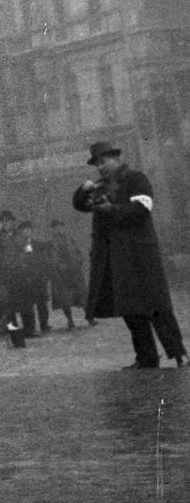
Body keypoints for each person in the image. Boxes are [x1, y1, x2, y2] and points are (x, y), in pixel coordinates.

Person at [73, 141, 188, 370]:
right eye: (97, 164)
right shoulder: (100, 186)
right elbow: (80, 206)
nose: (100, 168)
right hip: (116, 259)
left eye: (103, 162)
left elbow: (142, 209)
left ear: (116, 159)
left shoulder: (137, 179)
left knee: (157, 306)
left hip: (140, 255)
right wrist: (83, 190)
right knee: (130, 310)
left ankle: (178, 354)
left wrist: (111, 209)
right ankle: (146, 358)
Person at [46, 218, 85, 331]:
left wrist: (78, 262)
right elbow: (50, 259)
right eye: (56, 227)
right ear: (52, 230)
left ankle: (90, 316)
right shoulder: (50, 244)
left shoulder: (70, 240)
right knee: (65, 299)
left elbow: (78, 253)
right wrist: (58, 267)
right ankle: (70, 320)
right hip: (61, 274)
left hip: (74, 271)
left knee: (82, 295)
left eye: (60, 227)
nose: (58, 229)